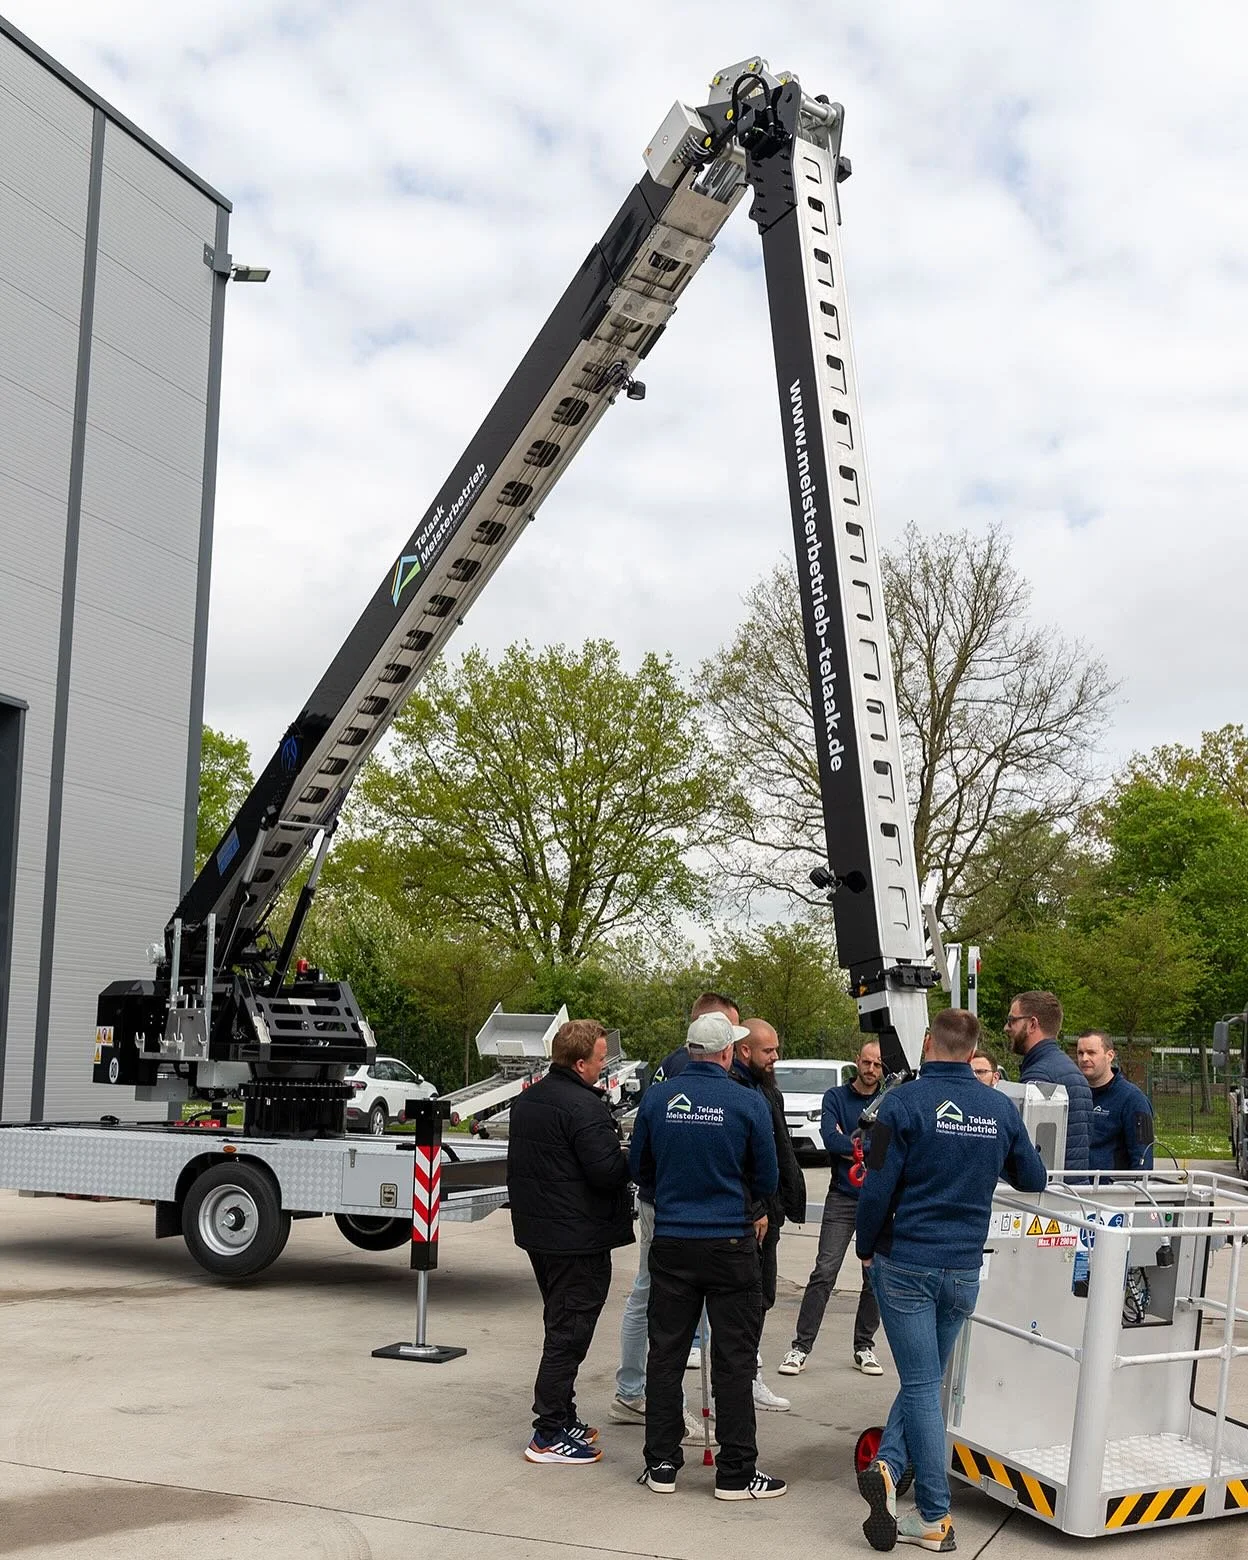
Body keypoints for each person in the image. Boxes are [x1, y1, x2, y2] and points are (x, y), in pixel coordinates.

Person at [856, 1009, 1047, 1552]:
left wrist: (865, 1247)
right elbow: (1032, 1177)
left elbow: (875, 1189)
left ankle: (935, 1518)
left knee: (920, 1386)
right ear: (973, 1050)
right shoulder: (997, 1107)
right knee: (926, 1381)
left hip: (907, 1264)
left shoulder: (903, 1103)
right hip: (963, 1268)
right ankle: (890, 1468)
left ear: (927, 1042)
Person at [629, 1010, 787, 1501]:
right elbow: (767, 1177)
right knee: (735, 1360)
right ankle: (736, 1474)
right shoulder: (746, 1102)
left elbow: (639, 1168)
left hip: (673, 1241)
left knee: (667, 1355)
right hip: (730, 1244)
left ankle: (661, 1465)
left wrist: (675, 1197)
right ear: (724, 1054)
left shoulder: (657, 1098)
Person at [507, 1019, 633, 1465]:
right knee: (569, 1331)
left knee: (560, 1321)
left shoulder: (528, 1101)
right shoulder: (584, 1108)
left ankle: (563, 1413)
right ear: (580, 1063)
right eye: (601, 1059)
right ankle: (546, 1433)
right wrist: (632, 1159)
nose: (604, 1066)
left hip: (541, 1234)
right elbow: (605, 1172)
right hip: (576, 1238)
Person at [611, 992, 739, 1428]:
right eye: (730, 1032)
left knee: (651, 1294)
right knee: (657, 1297)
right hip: (676, 1207)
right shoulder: (694, 1074)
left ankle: (634, 1390)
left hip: (661, 1199)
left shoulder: (670, 1064)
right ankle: (636, 1394)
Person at [779, 1038, 884, 1379]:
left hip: (877, 1200)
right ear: (857, 1061)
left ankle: (864, 1346)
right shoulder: (835, 1097)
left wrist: (852, 1146)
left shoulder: (890, 1100)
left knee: (874, 1276)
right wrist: (860, 1147)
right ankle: (800, 1347)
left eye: (878, 1065)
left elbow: (883, 1153)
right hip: (842, 1196)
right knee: (824, 1271)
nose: (871, 1070)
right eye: (867, 1063)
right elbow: (829, 1138)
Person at [731, 1018, 807, 1411]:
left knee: (763, 1298)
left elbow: (780, 1148)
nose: (776, 1057)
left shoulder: (766, 1088)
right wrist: (757, 1208)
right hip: (751, 1218)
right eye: (768, 1051)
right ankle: (745, 1381)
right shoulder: (739, 1091)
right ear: (745, 1051)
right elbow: (740, 1161)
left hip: (770, 1213)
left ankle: (749, 1375)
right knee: (750, 1301)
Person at [1004, 990, 1092, 1173]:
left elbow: (1028, 1152)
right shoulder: (1071, 1070)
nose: (1006, 1027)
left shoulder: (1039, 1077)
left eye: (1012, 1020)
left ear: (1032, 1024)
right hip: (1072, 1188)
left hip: (1050, 1194)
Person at [1076, 1029, 1154, 1172]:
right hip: (1072, 1188)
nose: (1084, 1058)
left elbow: (1143, 1159)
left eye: (1091, 1052)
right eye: (1080, 1053)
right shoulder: (1074, 1094)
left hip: (1110, 1191)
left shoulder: (1134, 1099)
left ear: (1110, 1055)